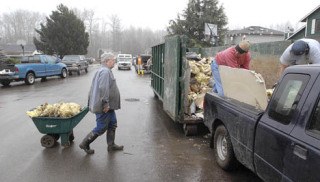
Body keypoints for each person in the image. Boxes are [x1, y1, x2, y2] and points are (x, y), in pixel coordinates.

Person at [79, 52, 123, 154]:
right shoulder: (105, 72)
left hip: (109, 106)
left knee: (112, 124)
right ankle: (85, 143)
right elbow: (103, 88)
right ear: (107, 61)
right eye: (113, 60)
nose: (114, 62)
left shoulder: (105, 70)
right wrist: (105, 103)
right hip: (104, 106)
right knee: (101, 127)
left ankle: (111, 145)